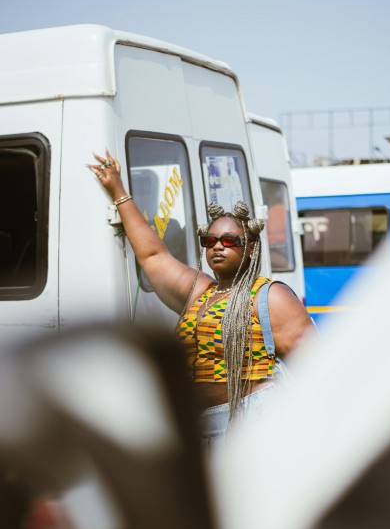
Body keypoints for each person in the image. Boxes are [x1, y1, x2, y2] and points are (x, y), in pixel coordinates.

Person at [88, 151, 314, 447]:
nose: (217, 246)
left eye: (230, 241)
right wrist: (118, 192)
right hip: (200, 428)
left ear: (251, 247)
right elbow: (153, 256)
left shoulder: (270, 296)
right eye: (209, 241)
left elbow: (318, 369)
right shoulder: (200, 291)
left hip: (254, 426)